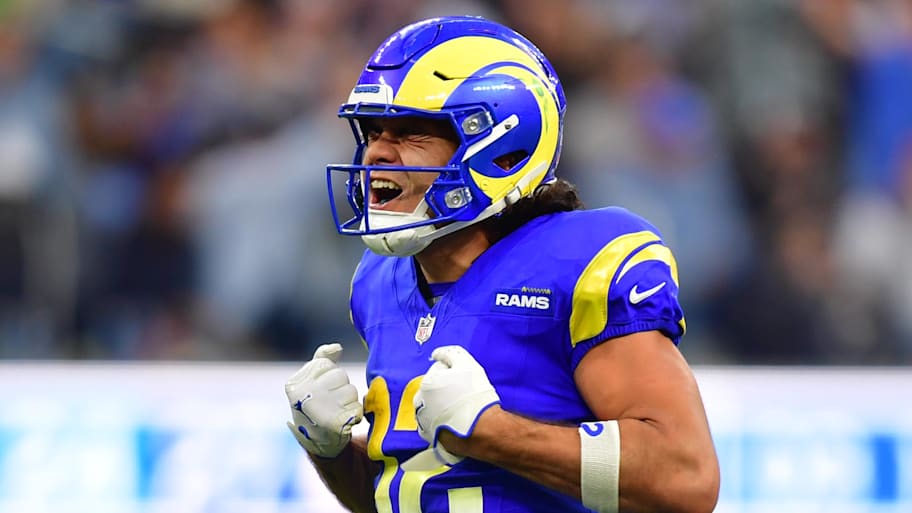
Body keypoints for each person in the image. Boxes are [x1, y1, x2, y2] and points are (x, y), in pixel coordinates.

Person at [284, 15, 720, 513]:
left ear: (502, 150)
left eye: (411, 132)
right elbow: (416, 491)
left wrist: (494, 431)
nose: (377, 153)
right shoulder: (378, 280)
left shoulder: (579, 261)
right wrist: (333, 453)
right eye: (374, 131)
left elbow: (685, 479)